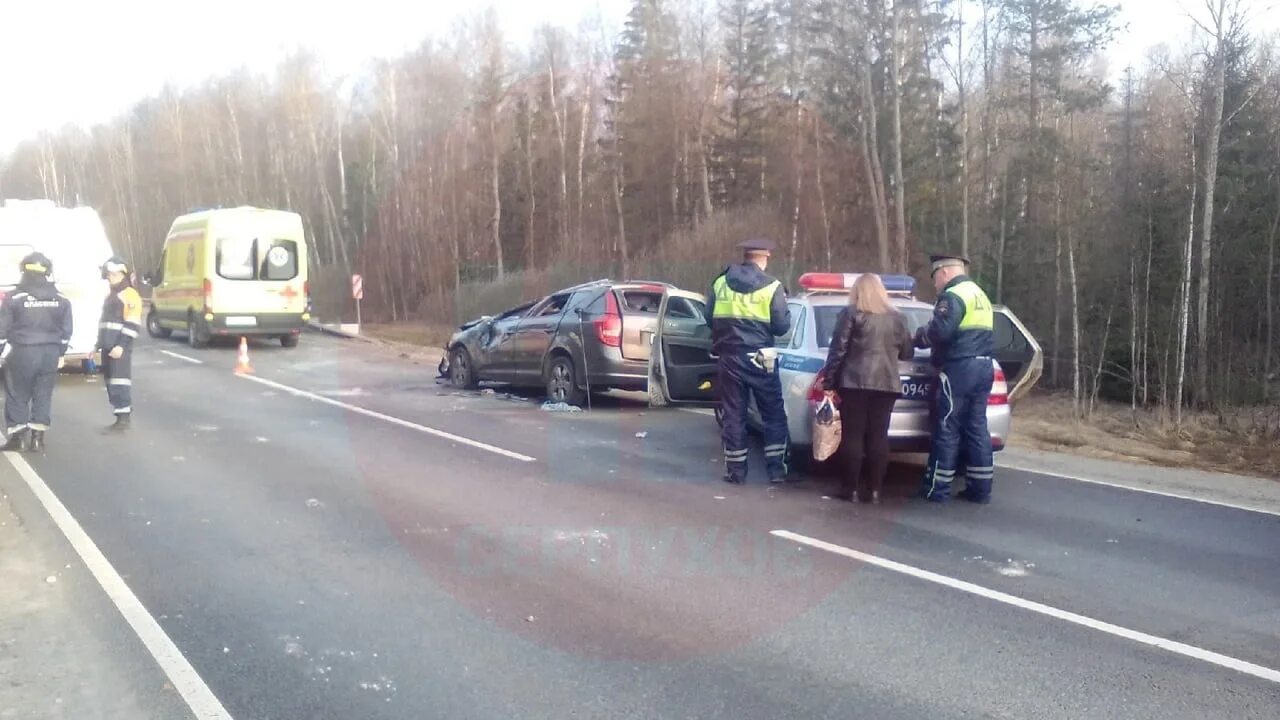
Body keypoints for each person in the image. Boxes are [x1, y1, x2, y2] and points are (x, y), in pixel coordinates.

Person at [820, 273, 914, 504]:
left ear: (857, 291)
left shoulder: (851, 313)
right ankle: (874, 491)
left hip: (854, 382)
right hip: (887, 383)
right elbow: (907, 352)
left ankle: (849, 489)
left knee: (853, 436)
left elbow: (838, 351)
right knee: (879, 436)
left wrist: (829, 382)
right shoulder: (898, 318)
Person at [707, 238, 791, 484]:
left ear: (745, 256)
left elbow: (708, 317)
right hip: (760, 357)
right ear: (765, 258)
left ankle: (736, 472)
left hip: (729, 357)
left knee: (733, 414)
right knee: (773, 413)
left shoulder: (720, 282)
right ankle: (777, 471)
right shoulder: (772, 286)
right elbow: (781, 327)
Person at [914, 254, 995, 503]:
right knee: (977, 428)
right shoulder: (980, 295)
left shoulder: (953, 295)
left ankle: (937, 488)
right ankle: (980, 489)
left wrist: (918, 337)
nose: (936, 284)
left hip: (960, 368)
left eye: (936, 278)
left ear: (945, 272)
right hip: (984, 367)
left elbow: (941, 331)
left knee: (947, 427)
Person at [0, 253, 73, 453]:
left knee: (17, 394)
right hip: (49, 352)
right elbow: (67, 330)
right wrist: (60, 353)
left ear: (24, 271)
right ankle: (37, 439)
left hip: (22, 351)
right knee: (43, 394)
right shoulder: (61, 299)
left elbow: (2, 329)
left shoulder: (15, 297)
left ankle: (18, 438)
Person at [98, 256, 142, 431]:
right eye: (109, 275)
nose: (110, 277)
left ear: (123, 274)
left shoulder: (129, 295)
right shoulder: (112, 295)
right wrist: (97, 344)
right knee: (111, 381)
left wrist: (121, 346)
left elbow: (132, 324)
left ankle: (123, 418)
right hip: (108, 345)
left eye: (114, 274)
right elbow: (105, 322)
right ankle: (119, 414)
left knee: (119, 381)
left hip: (119, 346)